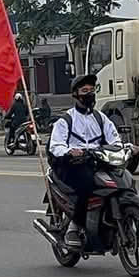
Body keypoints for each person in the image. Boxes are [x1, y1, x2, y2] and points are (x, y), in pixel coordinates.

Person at [48, 74, 121, 248]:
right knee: (87, 184)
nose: (89, 94)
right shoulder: (66, 120)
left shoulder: (101, 118)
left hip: (97, 161)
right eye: (84, 90)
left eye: (92, 90)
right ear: (76, 94)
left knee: (122, 178)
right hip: (73, 164)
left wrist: (126, 148)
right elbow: (56, 145)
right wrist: (70, 151)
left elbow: (115, 140)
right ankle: (75, 226)